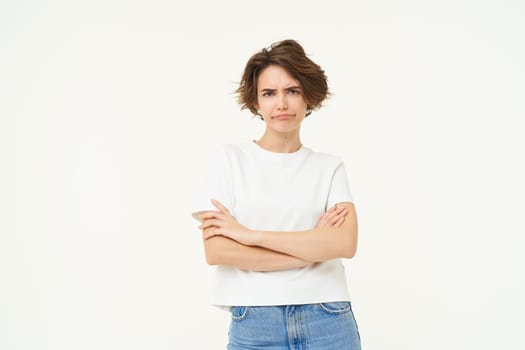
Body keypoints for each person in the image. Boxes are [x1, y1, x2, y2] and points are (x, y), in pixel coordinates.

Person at [192, 39, 361, 349]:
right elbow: (218, 252)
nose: (281, 104)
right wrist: (312, 247)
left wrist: (249, 235)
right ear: (256, 103)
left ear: (309, 97)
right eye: (269, 93)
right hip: (256, 321)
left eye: (292, 91)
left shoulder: (329, 167)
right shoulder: (229, 160)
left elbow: (344, 244)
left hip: (328, 316)